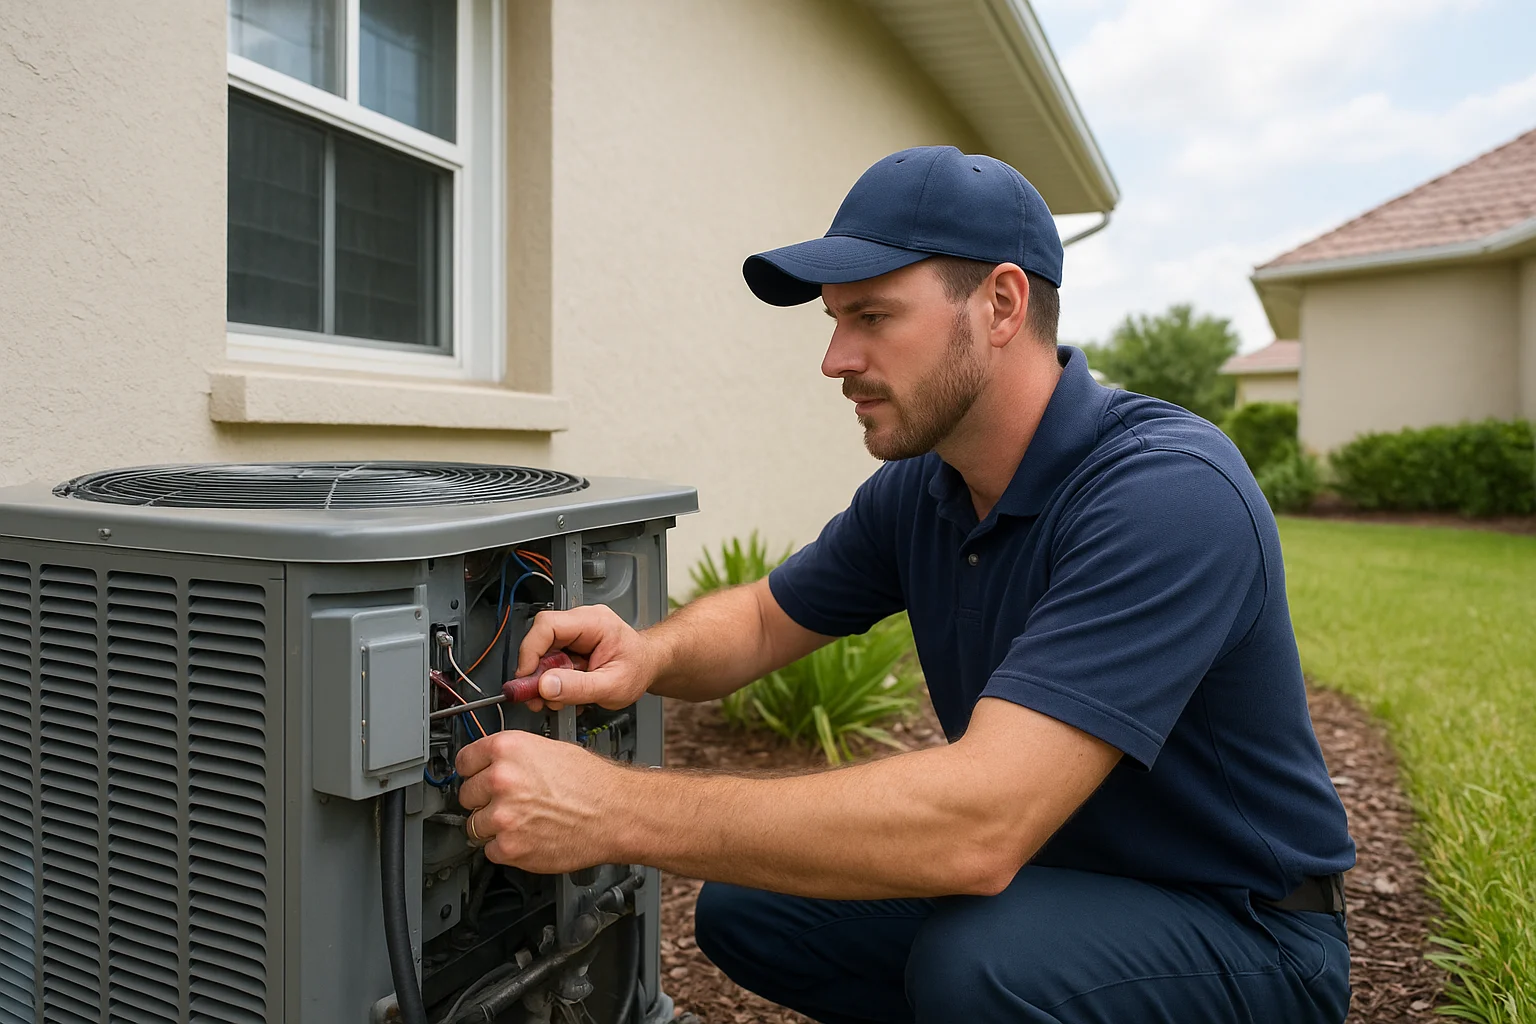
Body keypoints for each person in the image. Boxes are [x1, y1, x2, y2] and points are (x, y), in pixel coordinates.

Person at [455, 146, 1354, 1023]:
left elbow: (981, 825)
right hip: (1054, 879)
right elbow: (769, 618)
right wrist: (647, 652)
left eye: (874, 317)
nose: (835, 358)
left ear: (1000, 303)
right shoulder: (929, 488)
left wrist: (614, 808)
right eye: (834, 320)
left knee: (989, 965)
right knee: (754, 913)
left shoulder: (1167, 492)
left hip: (1245, 929)